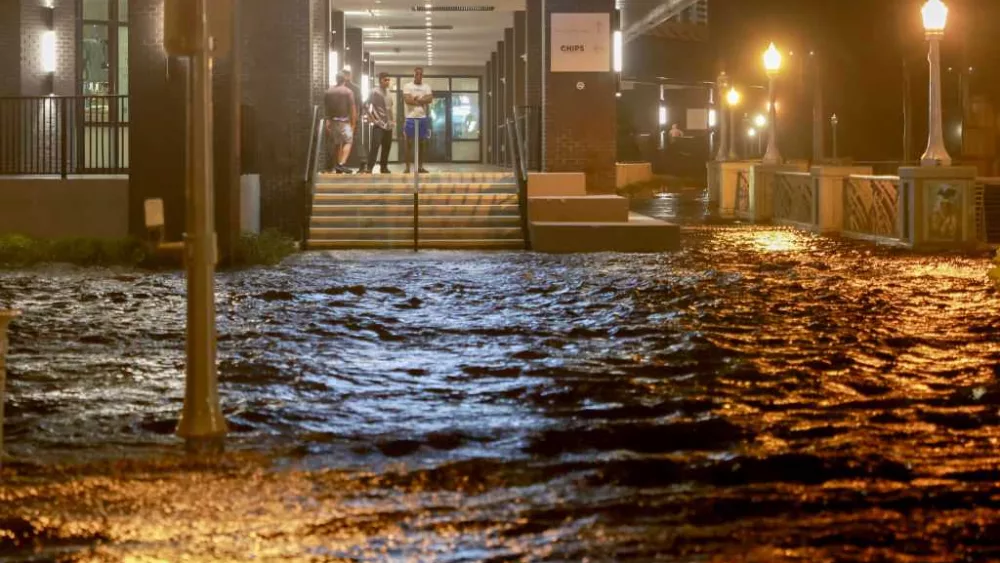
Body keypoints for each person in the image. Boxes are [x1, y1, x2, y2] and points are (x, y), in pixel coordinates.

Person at [324, 72, 356, 174]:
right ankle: (342, 163)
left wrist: (327, 120)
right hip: (344, 121)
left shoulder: (328, 91)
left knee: (337, 143)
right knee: (348, 141)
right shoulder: (348, 91)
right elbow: (352, 109)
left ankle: (337, 165)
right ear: (345, 80)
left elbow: (326, 108)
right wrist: (353, 123)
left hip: (332, 121)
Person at [402, 67, 433, 174]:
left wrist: (416, 99)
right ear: (414, 75)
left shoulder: (426, 86)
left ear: (422, 75)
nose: (419, 76)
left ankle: (420, 167)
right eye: (417, 74)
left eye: (420, 74)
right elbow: (407, 100)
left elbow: (430, 99)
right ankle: (407, 168)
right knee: (408, 143)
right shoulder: (407, 86)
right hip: (410, 117)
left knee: (422, 143)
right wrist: (422, 100)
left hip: (422, 118)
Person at [365, 73, 395, 174]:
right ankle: (369, 168)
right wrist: (371, 118)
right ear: (380, 80)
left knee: (387, 147)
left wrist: (393, 121)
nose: (388, 82)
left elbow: (390, 108)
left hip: (389, 124)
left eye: (388, 80)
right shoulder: (374, 92)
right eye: (385, 80)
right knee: (375, 145)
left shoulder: (389, 92)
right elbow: (365, 105)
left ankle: (384, 167)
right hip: (379, 124)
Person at [340, 68, 366, 173]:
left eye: (347, 74)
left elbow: (360, 103)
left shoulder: (355, 88)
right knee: (342, 141)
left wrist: (357, 118)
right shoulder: (344, 87)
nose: (346, 76)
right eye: (344, 74)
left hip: (351, 118)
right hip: (343, 118)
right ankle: (341, 164)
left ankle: (363, 163)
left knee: (355, 140)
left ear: (350, 75)